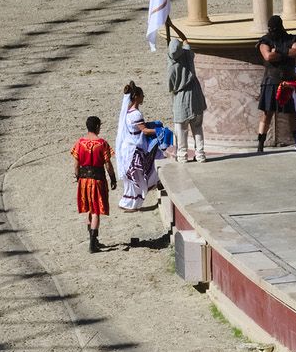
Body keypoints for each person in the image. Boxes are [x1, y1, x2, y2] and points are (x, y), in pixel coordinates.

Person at [71, 115, 117, 253]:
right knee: (96, 211)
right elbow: (108, 164)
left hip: (84, 181)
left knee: (90, 210)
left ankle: (94, 240)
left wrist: (78, 176)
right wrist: (113, 178)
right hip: (97, 181)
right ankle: (93, 244)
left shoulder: (80, 143)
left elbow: (76, 165)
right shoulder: (102, 143)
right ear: (97, 127)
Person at [115, 80, 163, 211]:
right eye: (142, 95)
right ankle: (131, 203)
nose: (143, 97)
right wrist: (161, 131)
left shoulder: (128, 111)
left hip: (129, 148)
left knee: (133, 178)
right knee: (139, 177)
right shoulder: (136, 114)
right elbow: (144, 130)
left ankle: (128, 202)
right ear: (136, 96)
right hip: (135, 151)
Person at [255, 15, 296, 154]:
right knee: (267, 113)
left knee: (291, 112)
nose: (273, 31)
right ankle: (260, 144)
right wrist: (285, 53)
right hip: (271, 80)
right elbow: (268, 56)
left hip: (287, 81)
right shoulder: (265, 40)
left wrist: (279, 52)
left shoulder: (291, 38)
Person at [165, 38, 207, 163]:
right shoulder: (188, 54)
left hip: (181, 97)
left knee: (181, 128)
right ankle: (200, 154)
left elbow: (170, 85)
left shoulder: (172, 66)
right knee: (197, 126)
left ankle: (182, 155)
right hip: (196, 94)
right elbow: (187, 43)